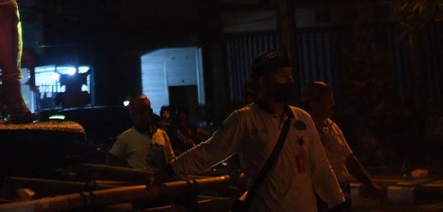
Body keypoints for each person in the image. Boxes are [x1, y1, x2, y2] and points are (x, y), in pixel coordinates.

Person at [160, 51, 346, 212]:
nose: (290, 81)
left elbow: (320, 167)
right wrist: (169, 170)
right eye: (282, 76)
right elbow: (209, 152)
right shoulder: (245, 119)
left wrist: (338, 202)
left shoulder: (302, 119)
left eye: (290, 75)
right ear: (263, 81)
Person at [302, 81, 383, 210]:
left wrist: (370, 183)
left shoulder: (333, 127)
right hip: (320, 197)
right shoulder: (302, 131)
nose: (333, 104)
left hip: (342, 192)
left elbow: (349, 159)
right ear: (314, 104)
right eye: (328, 100)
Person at [107, 95, 174, 171]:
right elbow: (112, 160)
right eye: (135, 114)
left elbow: (171, 159)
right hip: (139, 182)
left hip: (162, 181)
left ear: (150, 112)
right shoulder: (126, 137)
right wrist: (130, 172)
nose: (138, 116)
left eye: (142, 112)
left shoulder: (162, 134)